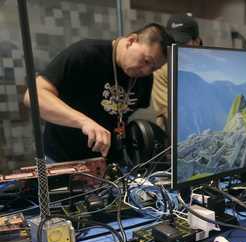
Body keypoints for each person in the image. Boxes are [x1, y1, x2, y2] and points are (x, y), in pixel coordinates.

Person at [24, 23, 173, 163]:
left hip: (107, 163)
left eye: (153, 68)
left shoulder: (144, 78)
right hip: (62, 159)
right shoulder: (85, 54)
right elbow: (33, 95)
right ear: (131, 41)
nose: (146, 71)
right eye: (146, 61)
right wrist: (84, 122)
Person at [151, 15, 202, 130]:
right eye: (170, 43)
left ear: (196, 42)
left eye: (181, 43)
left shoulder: (206, 67)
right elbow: (172, 114)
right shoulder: (162, 70)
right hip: (173, 134)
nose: (175, 47)